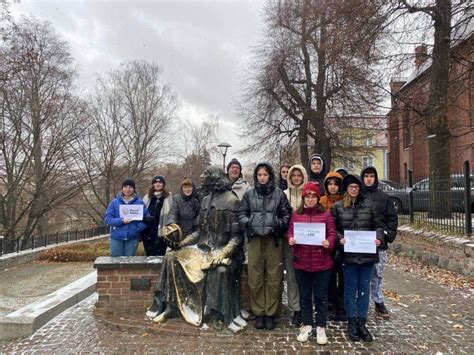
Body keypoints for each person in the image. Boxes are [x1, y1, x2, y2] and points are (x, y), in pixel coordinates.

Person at [146, 166, 246, 332]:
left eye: (205, 174)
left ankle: (216, 314)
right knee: (171, 257)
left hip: (223, 250)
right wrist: (182, 244)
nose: (201, 176)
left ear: (214, 178)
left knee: (219, 270)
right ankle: (171, 305)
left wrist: (222, 253)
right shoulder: (205, 201)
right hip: (203, 250)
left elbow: (237, 237)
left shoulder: (232, 201)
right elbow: (200, 232)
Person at [331, 174, 384, 342]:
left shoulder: (369, 205)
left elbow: (378, 226)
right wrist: (340, 239)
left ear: (359, 188)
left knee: (364, 289)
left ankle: (362, 322)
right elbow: (333, 228)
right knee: (350, 289)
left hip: (367, 254)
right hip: (349, 255)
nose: (354, 189)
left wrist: (379, 238)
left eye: (356, 186)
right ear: (346, 189)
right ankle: (351, 321)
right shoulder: (338, 207)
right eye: (350, 187)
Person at [239, 162, 292, 331]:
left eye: (265, 174)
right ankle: (259, 311)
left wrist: (277, 224)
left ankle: (271, 312)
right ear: (256, 176)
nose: (262, 177)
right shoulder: (249, 195)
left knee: (274, 277)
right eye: (260, 175)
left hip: (274, 240)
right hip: (255, 240)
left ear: (270, 176)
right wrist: (250, 224)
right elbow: (241, 214)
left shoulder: (278, 194)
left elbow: (287, 214)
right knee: (255, 276)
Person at [287, 182, 336, 344]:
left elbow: (332, 233)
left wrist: (329, 242)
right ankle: (307, 324)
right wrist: (291, 239)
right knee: (305, 296)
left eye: (313, 196)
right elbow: (290, 232)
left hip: (322, 263)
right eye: (307, 196)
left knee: (321, 297)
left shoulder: (326, 215)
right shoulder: (296, 215)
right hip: (302, 262)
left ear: (317, 198)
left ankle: (321, 326)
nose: (310, 199)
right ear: (303, 198)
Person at [360, 166, 398, 319]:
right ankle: (361, 301)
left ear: (375, 178)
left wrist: (388, 235)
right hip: (361, 242)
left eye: (371, 176)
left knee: (377, 274)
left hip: (378, 242)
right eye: (366, 176)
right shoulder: (358, 194)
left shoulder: (384, 197)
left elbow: (392, 218)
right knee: (362, 274)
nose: (368, 179)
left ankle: (378, 301)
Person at [283, 164, 309, 327]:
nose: (296, 178)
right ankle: (296, 308)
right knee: (292, 276)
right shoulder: (284, 194)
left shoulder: (310, 193)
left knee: (305, 276)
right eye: (294, 175)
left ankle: (306, 306)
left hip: (307, 241)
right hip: (290, 240)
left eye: (299, 175)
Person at [319, 171, 346, 321]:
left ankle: (342, 307)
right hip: (326, 245)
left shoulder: (346, 201)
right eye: (330, 184)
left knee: (343, 278)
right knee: (328, 279)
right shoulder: (321, 201)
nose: (333, 187)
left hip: (342, 244)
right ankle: (330, 305)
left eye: (336, 184)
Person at [105, 178, 149, 257]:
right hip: (116, 237)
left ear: (134, 189)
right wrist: (121, 220)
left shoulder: (140, 203)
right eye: (125, 187)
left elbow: (147, 219)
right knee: (115, 262)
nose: (128, 189)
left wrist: (137, 229)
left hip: (132, 238)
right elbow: (108, 220)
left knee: (129, 262)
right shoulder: (114, 202)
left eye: (130, 187)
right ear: (122, 189)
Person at [142, 175, 172, 256]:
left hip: (163, 231)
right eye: (155, 182)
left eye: (160, 182)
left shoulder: (169, 197)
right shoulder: (146, 197)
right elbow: (141, 213)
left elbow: (172, 213)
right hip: (148, 231)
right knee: (149, 256)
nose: (158, 184)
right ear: (153, 184)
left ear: (163, 184)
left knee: (161, 256)